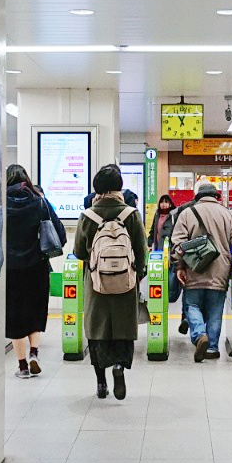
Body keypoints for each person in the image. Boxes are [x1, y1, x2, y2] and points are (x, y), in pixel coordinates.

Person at [73, 164, 147, 399]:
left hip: (97, 285)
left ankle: (101, 382)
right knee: (123, 331)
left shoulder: (88, 216)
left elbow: (79, 252)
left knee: (97, 332)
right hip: (126, 284)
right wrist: (137, 275)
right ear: (119, 187)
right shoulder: (131, 214)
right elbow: (141, 251)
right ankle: (119, 367)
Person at [5, 164, 65, 379]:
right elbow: (60, 235)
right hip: (37, 268)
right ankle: (34, 353)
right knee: (34, 311)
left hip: (10, 269)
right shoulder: (40, 202)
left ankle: (22, 366)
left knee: (14, 317)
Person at [171, 181, 232, 362]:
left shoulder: (187, 213)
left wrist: (180, 266)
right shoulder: (227, 214)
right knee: (215, 309)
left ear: (198, 197)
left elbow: (178, 244)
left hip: (194, 268)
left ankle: (200, 334)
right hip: (220, 269)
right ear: (216, 197)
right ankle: (212, 348)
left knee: (192, 305)